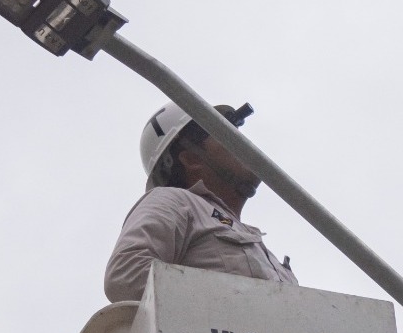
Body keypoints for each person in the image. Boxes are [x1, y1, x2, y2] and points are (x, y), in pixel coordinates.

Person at [104, 101, 297, 303]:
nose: (243, 144)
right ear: (192, 159)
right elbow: (127, 276)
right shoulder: (177, 201)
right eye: (227, 135)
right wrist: (233, 309)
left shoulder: (256, 244)